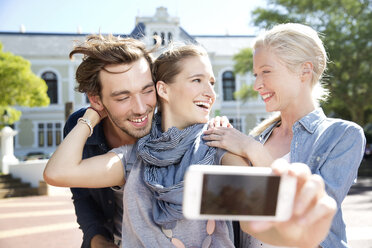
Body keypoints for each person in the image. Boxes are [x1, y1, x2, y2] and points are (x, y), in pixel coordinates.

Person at [44, 43, 336, 247]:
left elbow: (251, 219)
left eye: (211, 82)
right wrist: (93, 113)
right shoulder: (134, 157)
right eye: (197, 80)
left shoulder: (218, 148)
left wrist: (299, 236)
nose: (210, 92)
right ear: (163, 89)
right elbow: (59, 173)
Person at [203, 23, 366, 248]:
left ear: (304, 71)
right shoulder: (256, 137)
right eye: (255, 75)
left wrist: (254, 151)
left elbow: (310, 217)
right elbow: (235, 214)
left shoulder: (342, 136)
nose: (257, 85)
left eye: (266, 72)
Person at [64, 34, 157, 248]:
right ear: (96, 99)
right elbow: (82, 195)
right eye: (123, 97)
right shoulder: (80, 127)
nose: (141, 108)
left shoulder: (173, 127)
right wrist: (97, 241)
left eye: (147, 90)